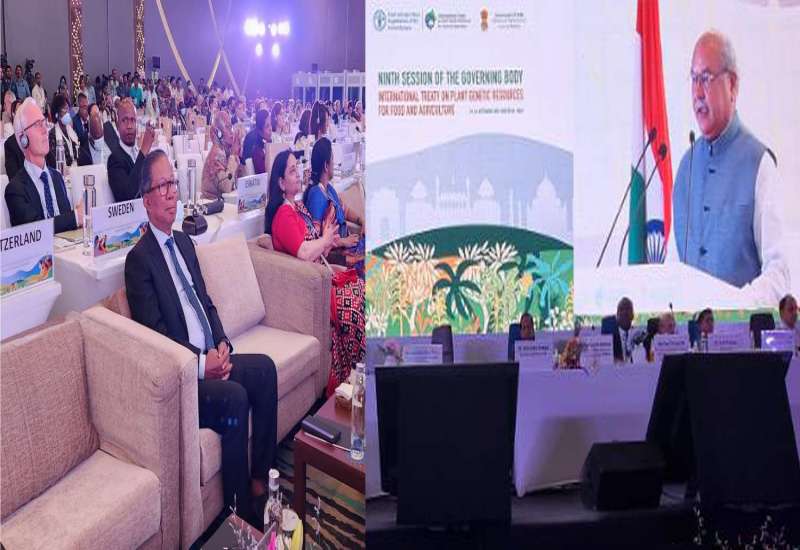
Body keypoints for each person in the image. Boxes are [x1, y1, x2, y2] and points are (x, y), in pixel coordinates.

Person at [125, 150, 277, 526]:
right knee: (235, 397)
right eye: (162, 186)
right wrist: (200, 365)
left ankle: (260, 484)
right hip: (186, 379)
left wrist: (222, 342)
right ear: (146, 200)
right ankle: (240, 516)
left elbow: (205, 302)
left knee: (265, 370)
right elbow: (156, 337)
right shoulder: (139, 261)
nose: (171, 192)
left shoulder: (184, 243)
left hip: (212, 357)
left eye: (173, 183)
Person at [672, 31, 789, 302]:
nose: (697, 93)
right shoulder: (685, 168)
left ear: (732, 85)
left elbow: (779, 273)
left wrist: (737, 304)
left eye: (706, 78)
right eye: (693, 79)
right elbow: (674, 270)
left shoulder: (759, 164)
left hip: (740, 328)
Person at [266, 150, 366, 395]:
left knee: (363, 291)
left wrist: (328, 241)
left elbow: (317, 243)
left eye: (297, 168)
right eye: (292, 171)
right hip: (311, 287)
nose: (298, 173)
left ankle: (371, 371)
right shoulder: (284, 215)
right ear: (281, 183)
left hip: (324, 275)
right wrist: (325, 240)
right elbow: (304, 251)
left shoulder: (298, 207)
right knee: (355, 305)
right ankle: (363, 380)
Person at [5, 98, 82, 232]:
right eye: (37, 124)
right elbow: (36, 230)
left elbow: (67, 228)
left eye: (44, 123)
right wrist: (75, 217)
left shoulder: (57, 177)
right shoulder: (15, 189)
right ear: (23, 138)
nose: (45, 130)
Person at [304, 137, 362, 245]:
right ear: (326, 166)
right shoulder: (316, 196)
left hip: (347, 242)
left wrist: (361, 220)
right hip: (336, 251)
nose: (334, 163)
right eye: (332, 159)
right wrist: (342, 242)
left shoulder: (328, 189)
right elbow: (315, 239)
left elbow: (344, 210)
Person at [107, 98, 154, 202]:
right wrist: (144, 151)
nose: (129, 126)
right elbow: (127, 196)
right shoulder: (114, 159)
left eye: (132, 120)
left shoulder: (138, 153)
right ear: (117, 124)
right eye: (124, 120)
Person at [201, 111, 241, 200]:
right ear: (219, 133)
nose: (231, 132)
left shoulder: (226, 151)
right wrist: (233, 155)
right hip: (211, 203)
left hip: (224, 202)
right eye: (227, 127)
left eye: (231, 127)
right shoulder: (216, 154)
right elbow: (226, 187)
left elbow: (238, 182)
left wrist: (238, 155)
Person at [46, 94, 80, 171]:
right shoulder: (52, 135)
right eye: (64, 110)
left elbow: (78, 152)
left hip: (76, 170)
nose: (67, 113)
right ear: (56, 114)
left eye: (68, 109)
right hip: (62, 173)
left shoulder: (71, 131)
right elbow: (54, 163)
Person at [602, 297, 635, 362]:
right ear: (617, 314)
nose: (625, 312)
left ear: (633, 315)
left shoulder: (639, 335)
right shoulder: (610, 336)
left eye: (628, 309)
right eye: (621, 309)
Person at [241, 109, 271, 174]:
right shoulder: (252, 141)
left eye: (270, 124)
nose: (270, 129)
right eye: (267, 126)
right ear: (260, 128)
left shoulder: (266, 138)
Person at [4, 100, 26, 179]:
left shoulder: (34, 138)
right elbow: (13, 176)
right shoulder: (10, 144)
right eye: (19, 111)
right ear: (13, 114)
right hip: (24, 184)